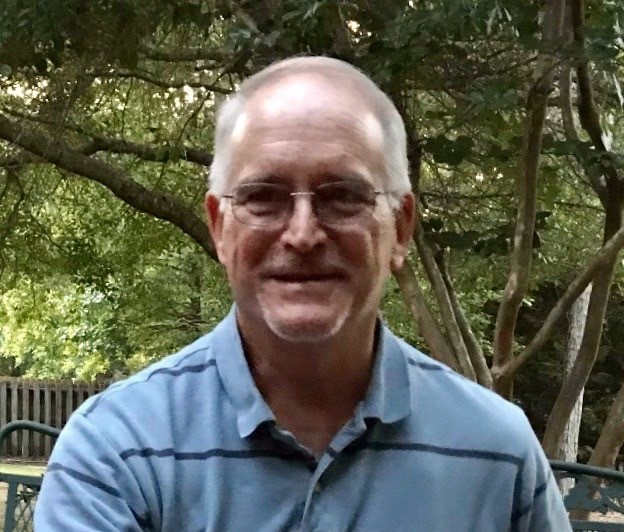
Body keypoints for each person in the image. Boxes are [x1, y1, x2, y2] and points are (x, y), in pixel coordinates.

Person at [35, 56, 571, 531]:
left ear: (402, 228)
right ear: (219, 227)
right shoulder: (117, 452)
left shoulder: (497, 454)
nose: (302, 233)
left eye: (343, 196)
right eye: (264, 197)